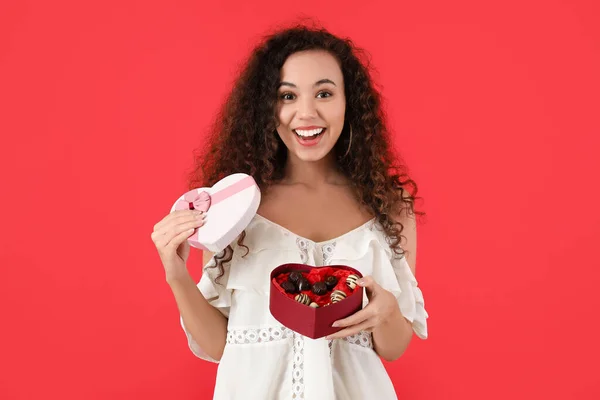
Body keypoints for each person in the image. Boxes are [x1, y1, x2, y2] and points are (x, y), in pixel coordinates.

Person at [151, 24, 429, 400]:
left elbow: (393, 348)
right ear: (267, 106)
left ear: (350, 102)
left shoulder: (389, 206)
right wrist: (176, 273)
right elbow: (220, 346)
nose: (306, 112)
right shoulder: (233, 208)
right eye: (287, 96)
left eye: (325, 93)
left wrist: (387, 312)